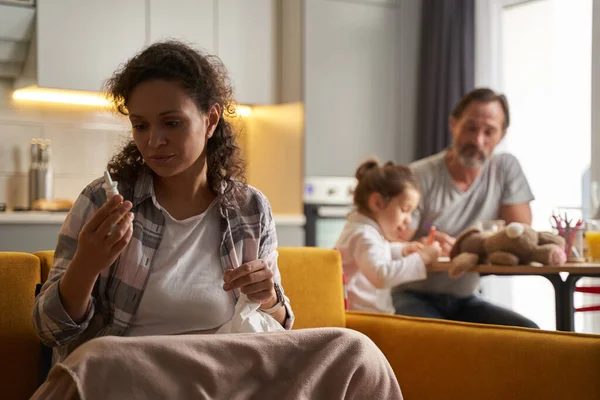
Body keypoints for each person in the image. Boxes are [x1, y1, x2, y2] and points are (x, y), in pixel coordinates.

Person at [31, 41, 402, 399]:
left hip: (229, 370)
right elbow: (49, 329)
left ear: (210, 119)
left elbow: (278, 325)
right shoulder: (103, 200)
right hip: (139, 371)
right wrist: (86, 265)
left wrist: (269, 296)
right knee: (95, 361)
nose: (154, 140)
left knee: (354, 350)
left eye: (171, 123)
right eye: (141, 125)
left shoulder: (250, 207)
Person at [392, 87, 538, 329]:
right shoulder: (417, 175)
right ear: (453, 124)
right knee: (438, 343)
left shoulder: (506, 168)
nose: (477, 140)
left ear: (501, 136)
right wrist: (426, 243)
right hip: (413, 294)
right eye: (470, 128)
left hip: (465, 299)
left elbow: (520, 235)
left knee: (530, 335)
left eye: (489, 131)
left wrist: (472, 245)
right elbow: (397, 240)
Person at [335, 160, 441, 314]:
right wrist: (422, 258)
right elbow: (381, 276)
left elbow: (377, 252)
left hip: (365, 315)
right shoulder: (364, 236)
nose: (409, 219)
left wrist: (403, 250)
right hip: (362, 318)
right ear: (377, 203)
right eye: (405, 209)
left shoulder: (363, 232)